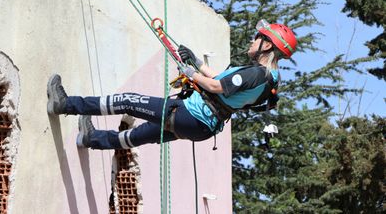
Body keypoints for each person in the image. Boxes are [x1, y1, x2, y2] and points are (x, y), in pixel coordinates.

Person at [46, 19, 297, 150]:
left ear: (267, 46)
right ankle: (91, 139)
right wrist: (197, 62)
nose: (253, 41)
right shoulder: (268, 79)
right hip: (202, 126)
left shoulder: (257, 73)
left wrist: (191, 72)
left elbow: (217, 87)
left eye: (258, 38)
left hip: (194, 114)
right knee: (141, 135)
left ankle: (64, 104)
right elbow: (221, 80)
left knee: (129, 102)